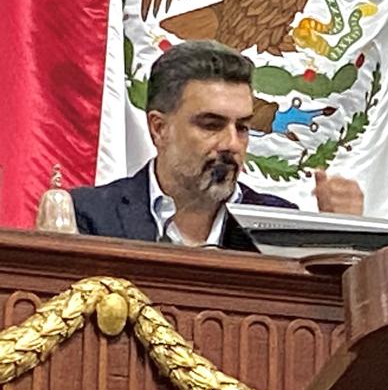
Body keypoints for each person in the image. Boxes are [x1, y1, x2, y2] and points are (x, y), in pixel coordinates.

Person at [72, 40, 363, 246]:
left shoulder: (280, 225)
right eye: (211, 125)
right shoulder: (91, 219)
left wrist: (345, 237)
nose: (232, 144)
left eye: (243, 127)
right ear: (159, 129)